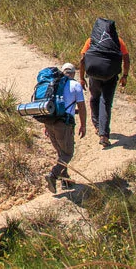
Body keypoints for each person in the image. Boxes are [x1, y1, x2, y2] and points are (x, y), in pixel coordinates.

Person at [78, 18, 131, 148]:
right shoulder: (118, 41)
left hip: (94, 75)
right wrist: (124, 76)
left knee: (94, 98)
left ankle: (97, 125)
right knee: (106, 103)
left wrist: (81, 78)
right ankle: (104, 135)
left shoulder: (91, 41)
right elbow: (126, 59)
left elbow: (82, 60)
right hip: (111, 76)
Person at [43, 63, 87, 192]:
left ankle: (65, 180)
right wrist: (83, 125)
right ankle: (53, 175)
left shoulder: (53, 84)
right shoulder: (75, 85)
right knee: (68, 153)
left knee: (61, 152)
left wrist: (46, 125)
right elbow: (82, 107)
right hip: (64, 124)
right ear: (73, 74)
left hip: (50, 121)